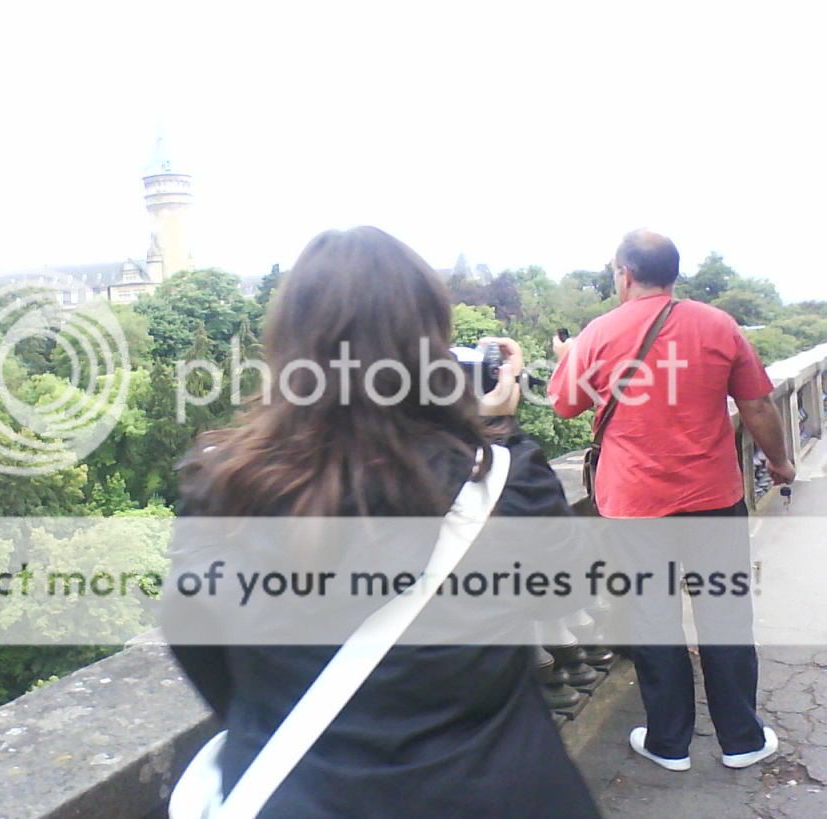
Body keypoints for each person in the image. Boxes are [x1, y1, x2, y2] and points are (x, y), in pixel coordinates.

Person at [162, 226, 600, 817]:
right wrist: (497, 430)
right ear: (432, 347)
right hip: (493, 788)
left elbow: (196, 642)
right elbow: (567, 590)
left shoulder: (221, 487)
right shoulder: (502, 482)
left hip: (305, 796)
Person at [547, 228, 795, 772]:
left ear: (624, 274)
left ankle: (669, 742)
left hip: (634, 506)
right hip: (713, 498)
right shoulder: (719, 325)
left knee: (651, 616)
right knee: (725, 613)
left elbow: (565, 406)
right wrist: (779, 462)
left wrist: (568, 357)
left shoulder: (598, 333)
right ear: (673, 274)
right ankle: (741, 739)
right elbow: (757, 406)